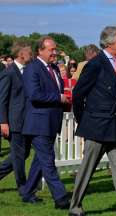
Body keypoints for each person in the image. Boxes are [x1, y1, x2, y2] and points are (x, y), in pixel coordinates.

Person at [69, 26, 116, 216]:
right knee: (87, 169)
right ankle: (75, 207)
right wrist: (83, 121)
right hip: (96, 127)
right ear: (109, 42)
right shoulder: (95, 64)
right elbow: (78, 95)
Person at [20, 36, 70, 208]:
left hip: (51, 122)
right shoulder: (32, 68)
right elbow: (34, 95)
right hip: (37, 123)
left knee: (40, 160)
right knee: (48, 160)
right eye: (51, 50)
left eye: (55, 49)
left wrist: (64, 101)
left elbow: (58, 93)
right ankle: (61, 197)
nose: (54, 53)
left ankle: (27, 192)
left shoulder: (55, 68)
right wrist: (58, 98)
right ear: (40, 51)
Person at [0, 41, 33, 193]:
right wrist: (3, 122)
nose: (31, 55)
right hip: (13, 121)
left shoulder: (26, 71)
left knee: (22, 154)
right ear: (21, 54)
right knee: (19, 156)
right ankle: (23, 186)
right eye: (29, 52)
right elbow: (2, 99)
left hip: (25, 120)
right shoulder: (9, 73)